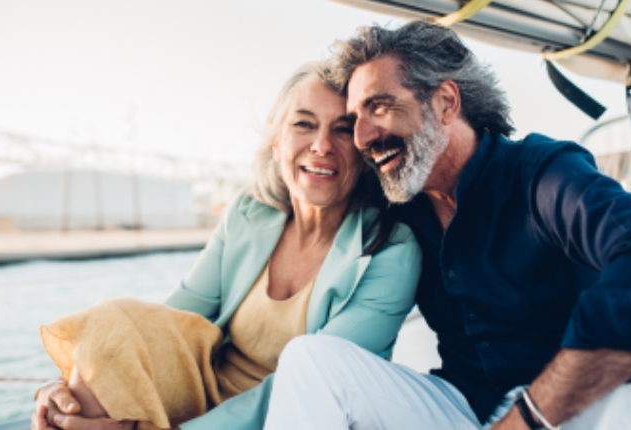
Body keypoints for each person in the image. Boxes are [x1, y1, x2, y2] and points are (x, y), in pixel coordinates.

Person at [262, 22, 631, 430]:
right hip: (463, 406)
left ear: (446, 102)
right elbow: (321, 183)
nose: (362, 136)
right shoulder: (400, 199)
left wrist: (528, 416)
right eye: (355, 118)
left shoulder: (541, 176)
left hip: (568, 406)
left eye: (378, 107)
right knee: (310, 360)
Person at [31, 62, 422, 430]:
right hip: (201, 395)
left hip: (300, 415)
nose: (321, 145)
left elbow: (314, 385)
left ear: (363, 145)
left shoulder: (390, 249)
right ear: (276, 140)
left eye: (342, 128)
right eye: (303, 124)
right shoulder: (249, 214)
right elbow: (165, 322)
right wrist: (64, 388)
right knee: (115, 321)